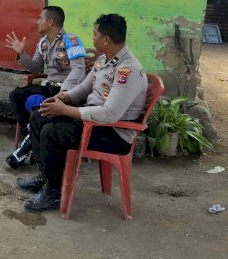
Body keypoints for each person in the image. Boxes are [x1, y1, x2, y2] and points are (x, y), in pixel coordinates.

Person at [15, 13, 148, 212]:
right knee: (39, 115)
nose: (91, 37)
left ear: (106, 40)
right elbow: (85, 88)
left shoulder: (127, 70)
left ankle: (53, 192)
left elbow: (109, 114)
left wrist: (67, 110)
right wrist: (62, 98)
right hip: (91, 120)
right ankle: (45, 177)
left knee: (52, 132)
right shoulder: (104, 59)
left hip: (112, 133)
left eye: (94, 34)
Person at [4, 6, 87, 169]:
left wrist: (64, 92)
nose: (37, 22)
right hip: (49, 86)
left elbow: (79, 69)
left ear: (50, 22)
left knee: (40, 109)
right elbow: (36, 68)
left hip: (67, 91)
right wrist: (22, 54)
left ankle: (24, 150)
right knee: (16, 95)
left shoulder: (71, 40)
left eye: (40, 18)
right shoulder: (42, 42)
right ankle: (32, 136)